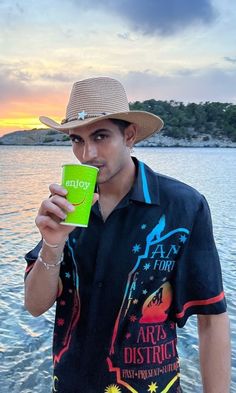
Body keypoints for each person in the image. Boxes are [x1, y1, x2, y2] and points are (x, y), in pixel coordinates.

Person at [24, 76, 231, 393]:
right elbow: (35, 305)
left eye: (100, 136)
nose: (87, 153)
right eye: (77, 140)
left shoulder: (183, 207)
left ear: (129, 135)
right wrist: (53, 244)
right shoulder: (68, 207)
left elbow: (211, 318)